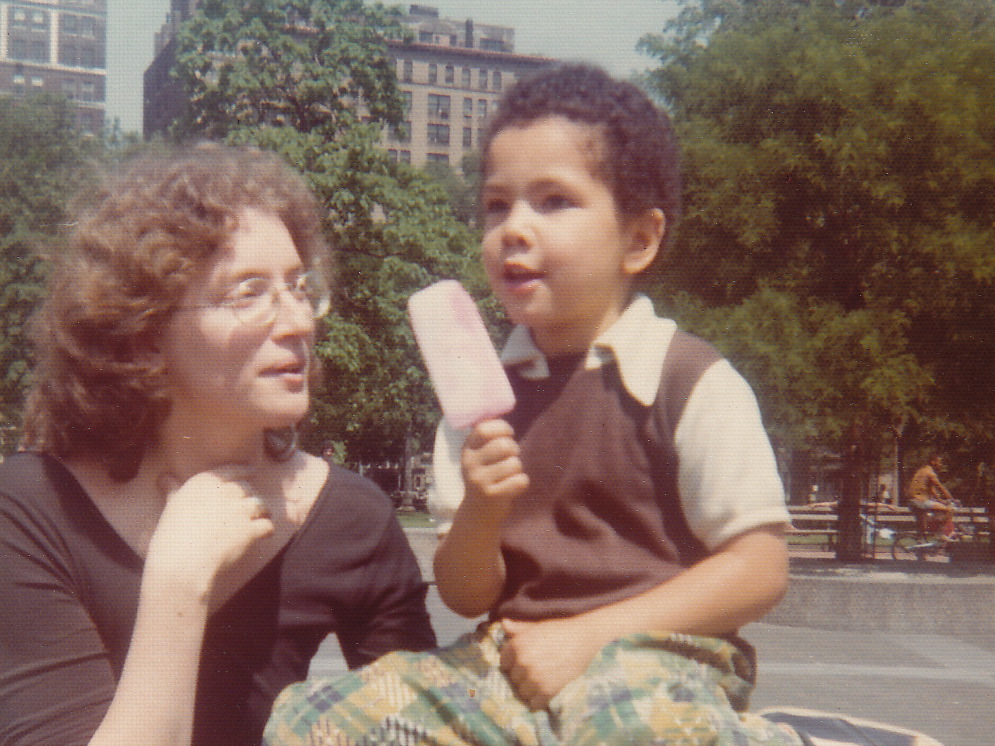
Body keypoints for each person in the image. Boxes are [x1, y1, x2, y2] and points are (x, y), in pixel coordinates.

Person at [264, 64, 802, 745]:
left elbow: (758, 569)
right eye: (496, 204)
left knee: (627, 731)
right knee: (316, 721)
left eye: (553, 201)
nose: (513, 229)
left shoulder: (687, 378)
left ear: (637, 239)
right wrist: (483, 510)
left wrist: (587, 638)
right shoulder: (482, 397)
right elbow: (467, 594)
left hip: (660, 660)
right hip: (508, 657)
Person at [0, 145, 436, 746]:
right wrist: (179, 583)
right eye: (249, 293)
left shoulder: (353, 516)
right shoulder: (32, 506)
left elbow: (421, 726)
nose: (299, 323)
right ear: (144, 334)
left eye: (300, 288)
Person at [907, 455, 958, 540]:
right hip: (920, 501)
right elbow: (940, 487)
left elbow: (932, 490)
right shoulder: (930, 473)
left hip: (912, 501)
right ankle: (940, 533)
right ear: (933, 462)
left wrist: (940, 500)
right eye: (940, 462)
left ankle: (921, 547)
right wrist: (952, 499)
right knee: (949, 510)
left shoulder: (921, 471)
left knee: (922, 527)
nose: (941, 464)